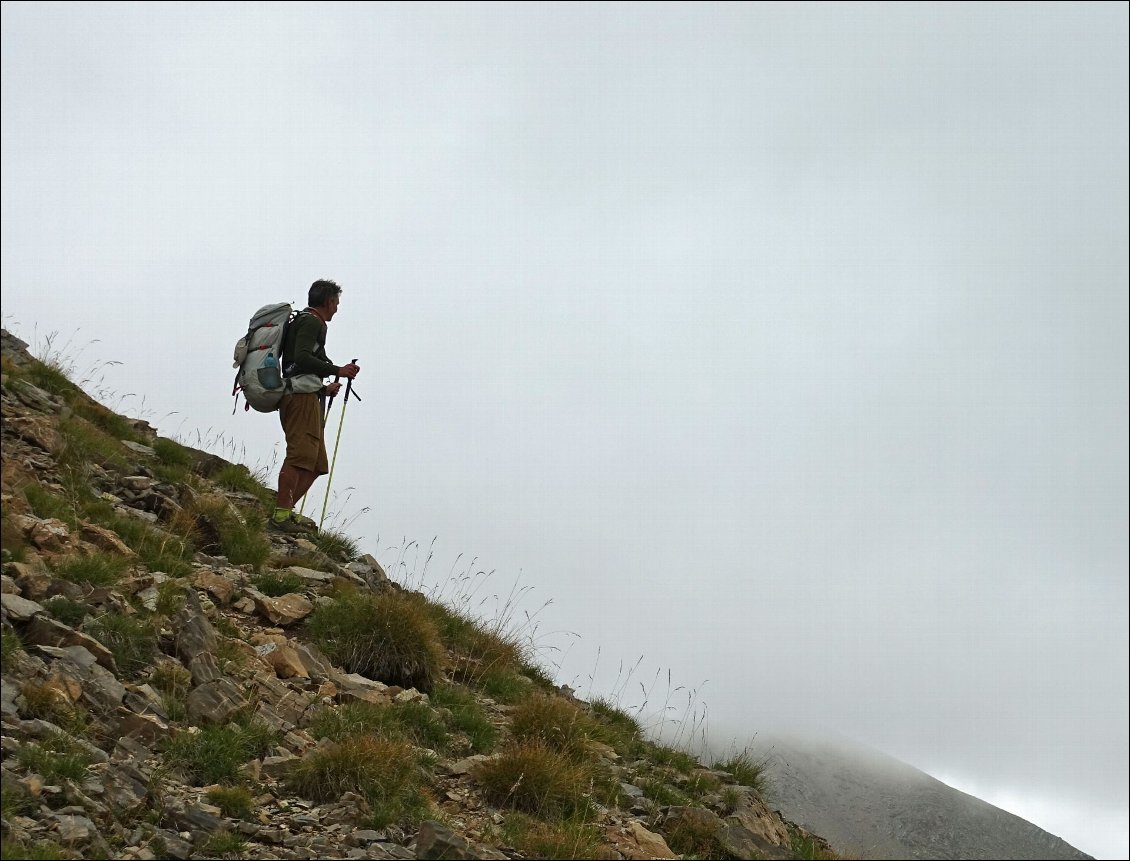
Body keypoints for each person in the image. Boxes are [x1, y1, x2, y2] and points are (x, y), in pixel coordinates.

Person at [269, 279, 360, 534]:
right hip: (300, 399)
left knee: (317, 464)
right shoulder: (310, 321)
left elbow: (300, 364)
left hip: (307, 394)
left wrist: (324, 386)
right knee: (299, 456)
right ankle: (280, 517)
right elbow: (300, 358)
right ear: (329, 301)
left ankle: (284, 513)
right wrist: (336, 370)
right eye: (337, 303)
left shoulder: (309, 323)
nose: (337, 309)